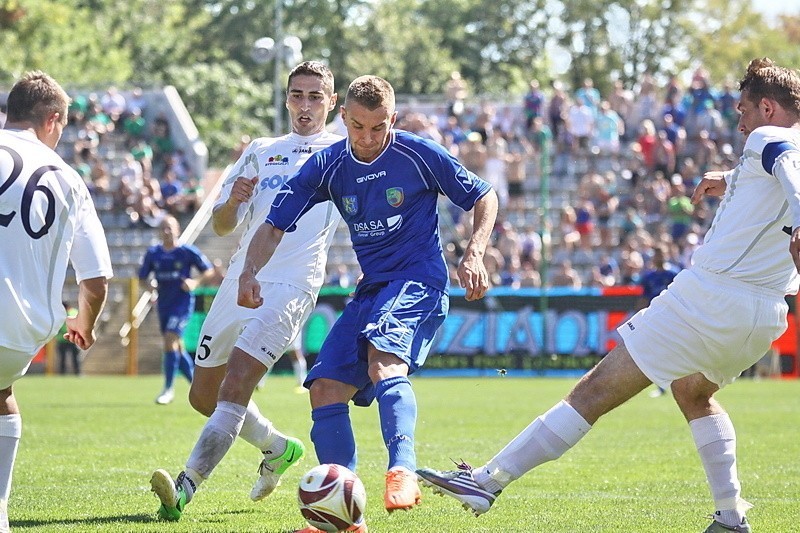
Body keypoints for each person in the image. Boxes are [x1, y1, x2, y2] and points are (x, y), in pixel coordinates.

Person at [417, 57, 800, 533]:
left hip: (711, 296)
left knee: (595, 389)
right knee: (692, 391)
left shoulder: (770, 140)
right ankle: (731, 516)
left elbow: (781, 158)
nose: (740, 123)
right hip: (766, 312)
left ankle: (488, 480)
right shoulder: (776, 153)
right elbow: (779, 170)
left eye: (744, 110)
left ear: (767, 106)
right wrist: (732, 177)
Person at [239, 75, 498, 533]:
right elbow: (275, 223)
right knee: (324, 388)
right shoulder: (328, 164)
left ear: (391, 119)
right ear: (344, 118)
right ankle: (343, 513)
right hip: (372, 288)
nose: (368, 137)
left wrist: (474, 252)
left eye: (379, 127)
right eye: (358, 126)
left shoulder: (416, 154)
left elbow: (483, 194)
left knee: (383, 361)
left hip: (419, 281)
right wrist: (247, 271)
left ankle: (402, 468)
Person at [148, 61, 342, 522]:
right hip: (240, 279)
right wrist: (233, 201)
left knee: (236, 384)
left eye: (316, 96)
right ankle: (278, 448)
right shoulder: (261, 150)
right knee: (202, 396)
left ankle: (184, 487)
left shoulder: (342, 153)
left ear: (331, 103)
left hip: (292, 286)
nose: (306, 105)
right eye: (298, 95)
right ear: (287, 99)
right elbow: (220, 224)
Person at [0, 71, 112, 533]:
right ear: (51, 120)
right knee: (2, 395)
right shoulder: (68, 178)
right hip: (18, 334)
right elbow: (97, 278)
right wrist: (84, 323)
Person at [139, 215, 213, 405]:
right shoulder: (153, 253)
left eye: (170, 228)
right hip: (164, 304)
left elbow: (208, 271)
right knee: (176, 347)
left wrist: (194, 282)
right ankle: (199, 387)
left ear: (177, 229)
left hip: (182, 303)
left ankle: (168, 389)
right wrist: (151, 290)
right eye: (163, 228)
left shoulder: (186, 252)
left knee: (170, 339)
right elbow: (142, 278)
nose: (166, 231)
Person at [638, 244, 681, 397]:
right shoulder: (648, 277)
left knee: (674, 351)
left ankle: (677, 384)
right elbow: (643, 298)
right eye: (656, 255)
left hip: (672, 317)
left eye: (661, 254)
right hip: (655, 318)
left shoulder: (674, 273)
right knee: (655, 351)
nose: (658, 258)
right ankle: (662, 386)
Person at [57, 302, 82, 375]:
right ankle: (63, 373)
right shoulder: (73, 312)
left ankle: (77, 372)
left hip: (71, 339)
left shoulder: (71, 313)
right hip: (63, 339)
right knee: (63, 358)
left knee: (74, 357)